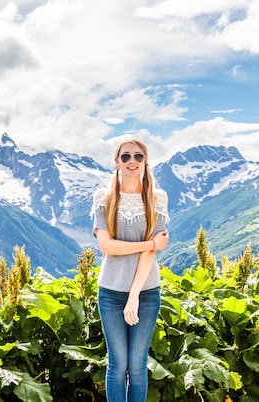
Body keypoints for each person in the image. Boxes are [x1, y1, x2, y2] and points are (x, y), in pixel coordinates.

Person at [91, 137, 170, 402]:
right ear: (116, 162)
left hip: (146, 292)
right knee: (117, 364)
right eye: (125, 157)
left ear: (146, 161)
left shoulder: (157, 199)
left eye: (138, 156)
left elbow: (148, 254)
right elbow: (106, 246)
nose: (132, 161)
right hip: (110, 292)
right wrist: (149, 243)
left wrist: (134, 295)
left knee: (137, 366)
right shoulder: (104, 198)